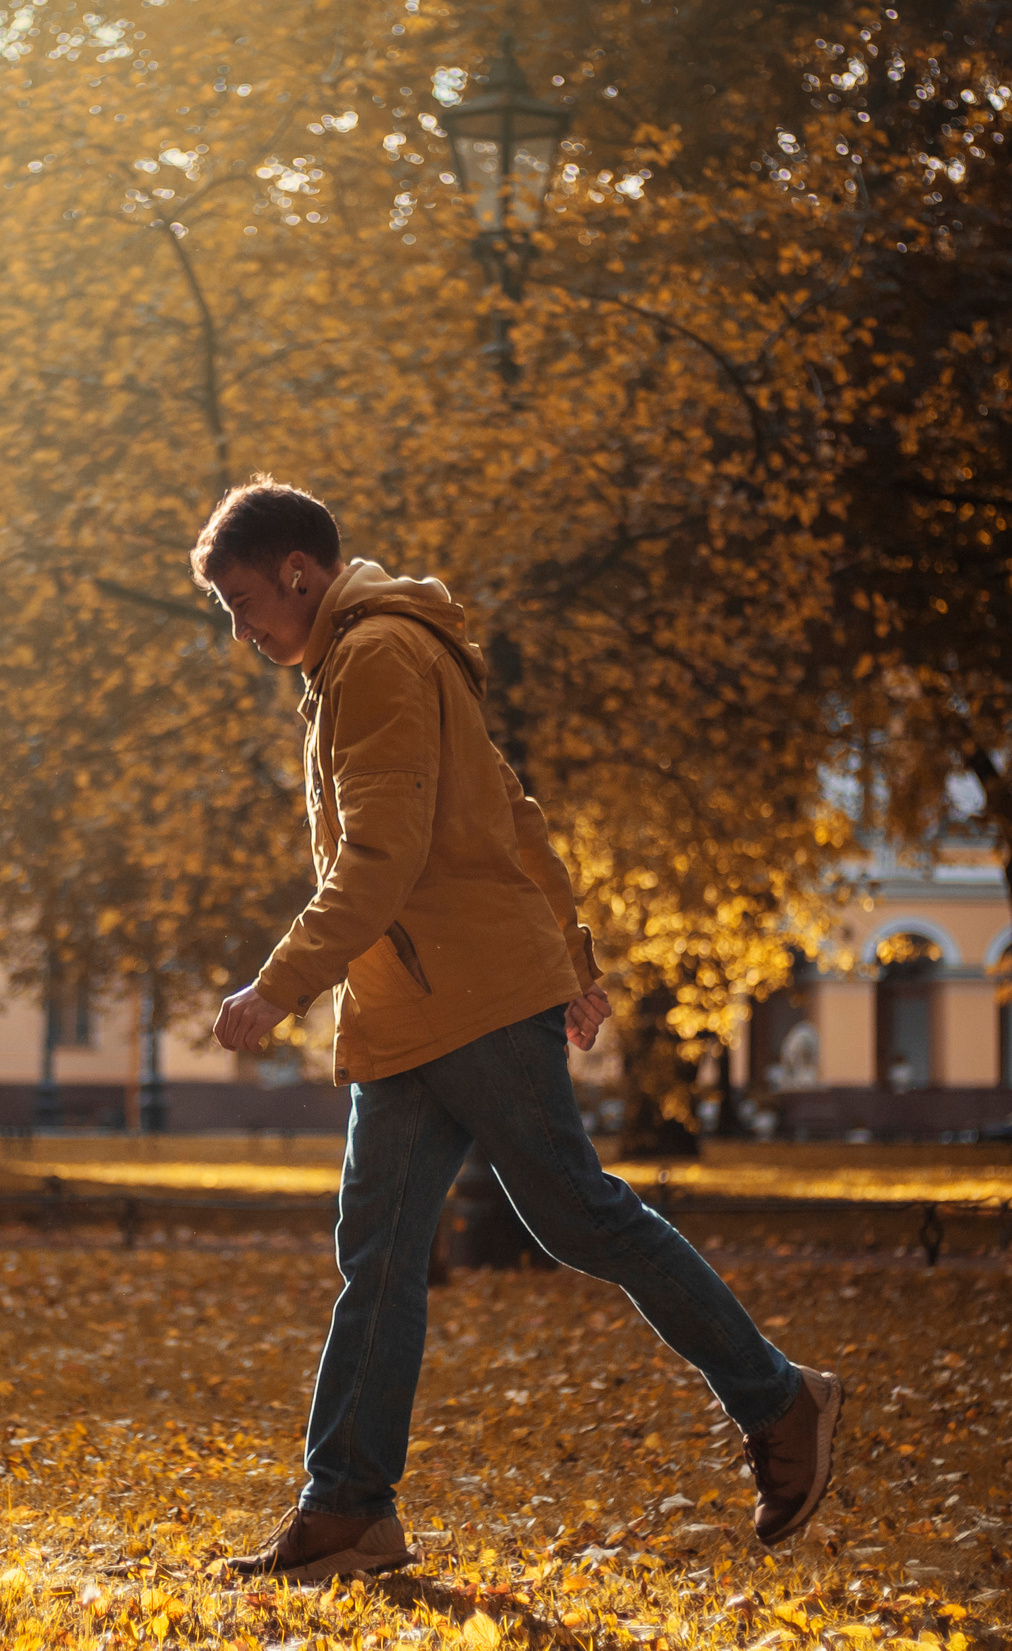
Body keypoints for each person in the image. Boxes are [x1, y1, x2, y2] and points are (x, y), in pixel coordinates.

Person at [195, 479, 841, 1584]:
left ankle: (782, 1402)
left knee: (579, 1218)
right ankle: (348, 1511)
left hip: (474, 1000)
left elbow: (382, 858)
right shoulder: (364, 660)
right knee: (381, 1259)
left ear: (299, 572)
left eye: (244, 600)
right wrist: (573, 953)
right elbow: (510, 806)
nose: (242, 629)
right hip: (413, 1009)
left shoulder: (380, 658)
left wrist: (278, 985)